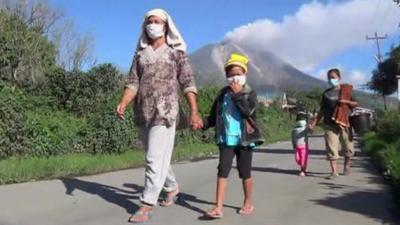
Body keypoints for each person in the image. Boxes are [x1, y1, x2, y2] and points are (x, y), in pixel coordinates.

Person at [116, 8, 203, 223]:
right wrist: (124, 102)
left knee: (154, 157)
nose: (152, 25)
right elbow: (132, 83)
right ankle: (172, 187)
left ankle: (146, 204)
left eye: (157, 21)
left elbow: (188, 83)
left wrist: (194, 111)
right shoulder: (140, 55)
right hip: (143, 111)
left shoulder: (176, 53)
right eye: (149, 21)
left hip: (166, 111)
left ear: (166, 26)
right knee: (156, 155)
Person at [202, 53, 264, 219]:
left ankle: (248, 202)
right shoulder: (222, 94)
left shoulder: (250, 92)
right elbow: (214, 115)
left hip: (245, 139)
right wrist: (203, 123)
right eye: (230, 74)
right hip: (226, 138)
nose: (234, 77)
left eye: (238, 73)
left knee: (245, 171)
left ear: (244, 74)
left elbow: (248, 112)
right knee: (223, 170)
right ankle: (218, 207)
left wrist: (237, 95)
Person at [310, 68, 358, 180]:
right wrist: (314, 123)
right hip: (329, 124)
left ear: (339, 78)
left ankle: (346, 165)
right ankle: (334, 172)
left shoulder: (346, 91)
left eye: (333, 77)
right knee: (331, 148)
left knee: (348, 147)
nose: (331, 80)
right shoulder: (326, 94)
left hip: (345, 123)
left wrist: (346, 102)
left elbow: (355, 104)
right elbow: (322, 110)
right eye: (329, 78)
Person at [291, 112, 311, 177]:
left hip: (304, 146)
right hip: (297, 146)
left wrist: (310, 128)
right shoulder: (294, 129)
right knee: (297, 159)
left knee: (303, 158)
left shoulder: (306, 128)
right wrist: (294, 145)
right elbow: (293, 138)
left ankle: (302, 170)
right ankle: (302, 167)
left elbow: (311, 132)